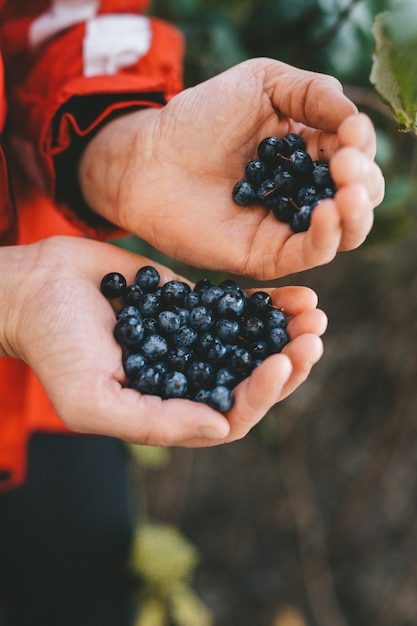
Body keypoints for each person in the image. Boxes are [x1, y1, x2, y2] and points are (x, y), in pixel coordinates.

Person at [0, 2, 384, 626]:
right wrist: (10, 297)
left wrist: (120, 148)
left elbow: (65, 20)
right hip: (35, 315)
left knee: (90, 580)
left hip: (40, 375)